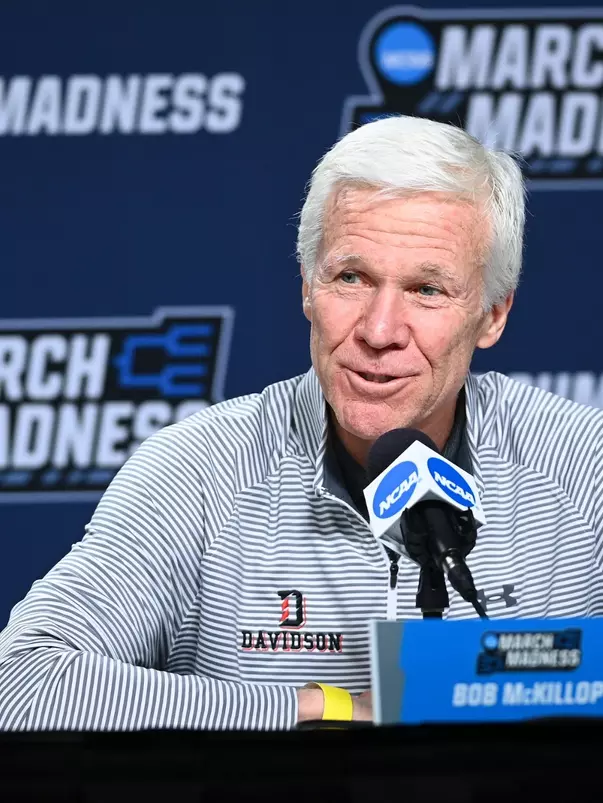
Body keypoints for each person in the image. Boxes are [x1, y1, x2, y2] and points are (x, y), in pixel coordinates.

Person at [1, 115, 602, 732]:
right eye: (351, 278)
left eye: (427, 289)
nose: (379, 331)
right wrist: (322, 709)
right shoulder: (200, 473)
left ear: (492, 315)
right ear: (308, 288)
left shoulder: (583, 466)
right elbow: (20, 683)